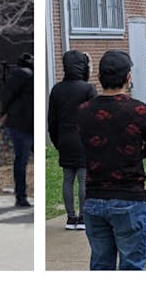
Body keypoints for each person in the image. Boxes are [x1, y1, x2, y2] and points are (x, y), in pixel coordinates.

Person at [77, 50, 146, 270]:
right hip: (129, 195)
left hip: (94, 197)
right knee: (132, 265)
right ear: (128, 78)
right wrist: (133, 151)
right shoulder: (139, 110)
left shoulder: (84, 111)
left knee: (100, 264)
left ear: (99, 77)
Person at [48, 50, 97, 230]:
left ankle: (70, 218)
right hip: (83, 139)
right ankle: (83, 218)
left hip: (64, 138)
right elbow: (95, 117)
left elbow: (51, 120)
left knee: (67, 179)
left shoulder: (57, 89)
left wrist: (56, 141)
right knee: (83, 180)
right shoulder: (88, 89)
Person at [1, 53, 34, 207]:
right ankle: (21, 196)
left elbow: (6, 97)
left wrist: (8, 112)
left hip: (19, 123)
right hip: (27, 123)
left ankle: (21, 196)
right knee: (23, 160)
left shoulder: (18, 75)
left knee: (21, 160)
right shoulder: (28, 75)